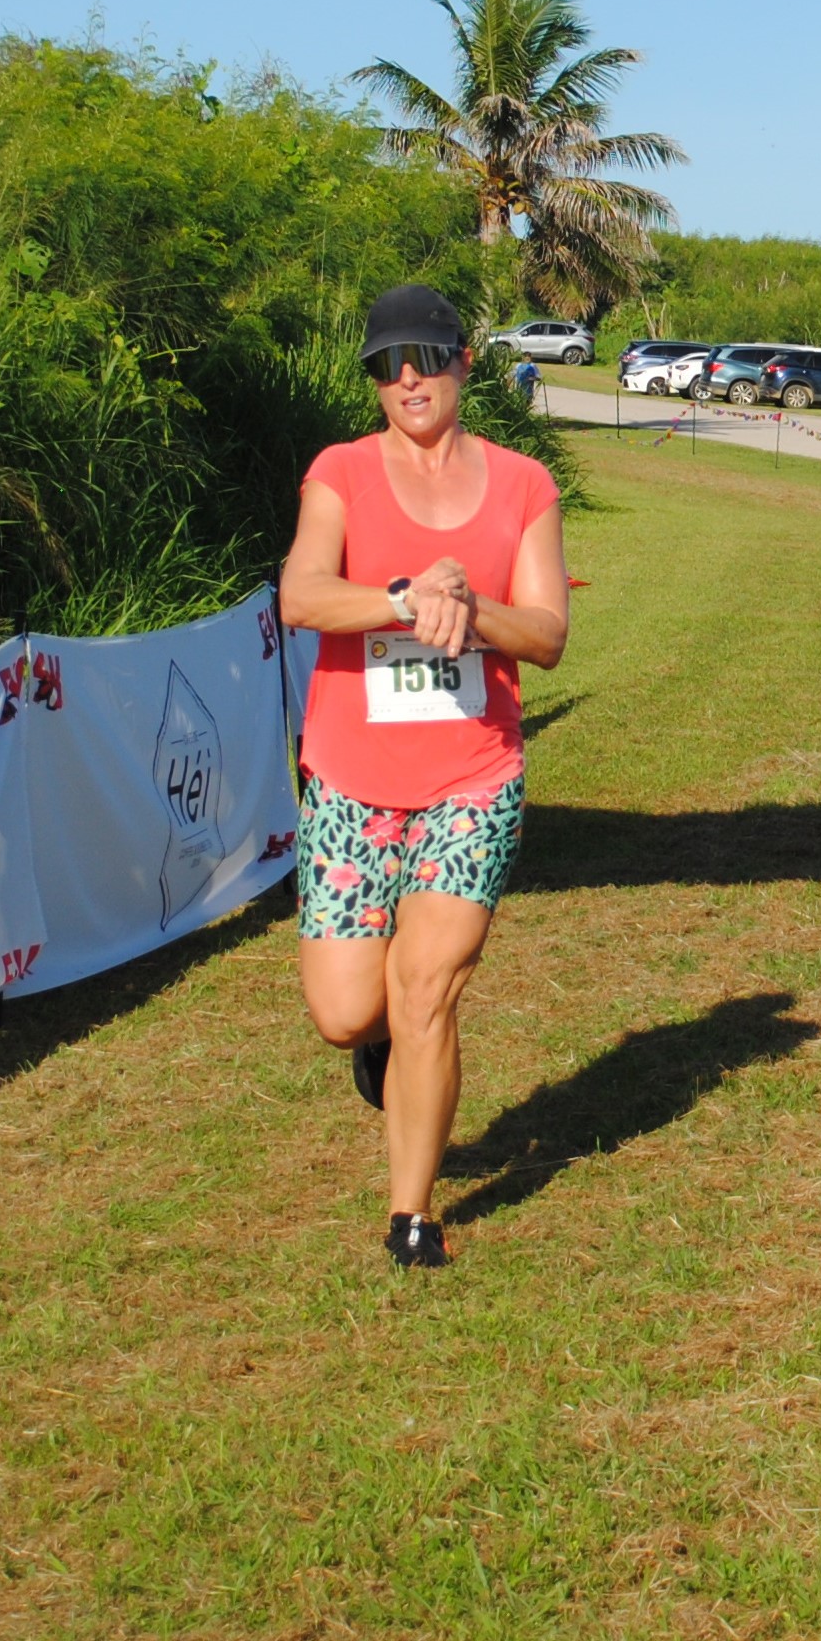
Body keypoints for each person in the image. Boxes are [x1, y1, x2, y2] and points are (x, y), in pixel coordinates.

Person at [279, 284, 569, 1270]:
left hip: (469, 780)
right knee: (346, 1012)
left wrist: (469, 610)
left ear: (462, 362)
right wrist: (403, 597)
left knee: (428, 985)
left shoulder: (523, 484)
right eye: (385, 364)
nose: (407, 377)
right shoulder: (341, 473)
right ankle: (377, 1054)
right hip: (351, 779)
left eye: (425, 357)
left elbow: (548, 634)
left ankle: (412, 1215)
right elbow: (302, 593)